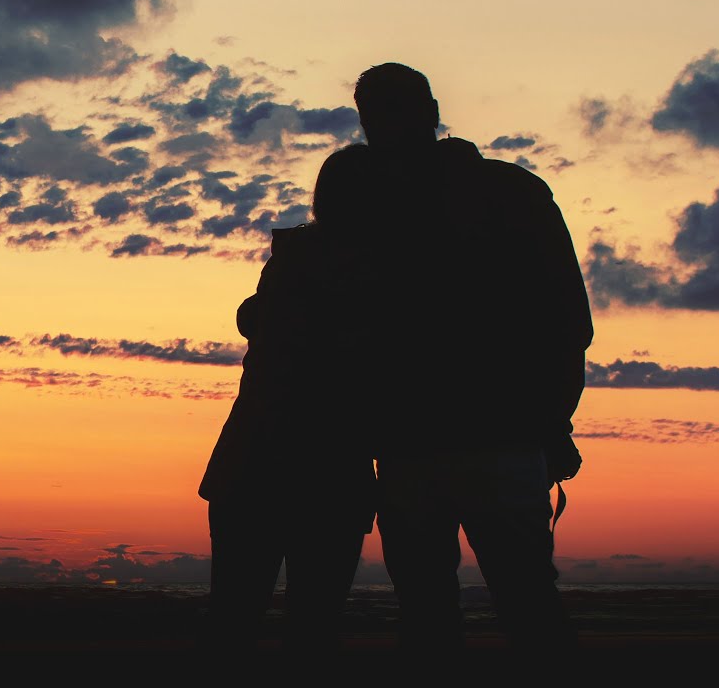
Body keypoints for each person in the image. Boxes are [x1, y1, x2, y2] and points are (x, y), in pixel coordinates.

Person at [349, 63, 595, 654]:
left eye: (387, 113)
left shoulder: (376, 207)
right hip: (462, 442)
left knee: (440, 613)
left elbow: (567, 322)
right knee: (520, 605)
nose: (383, 127)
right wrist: (552, 424)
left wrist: (550, 425)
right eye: (377, 115)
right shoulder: (509, 191)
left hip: (442, 443)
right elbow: (568, 321)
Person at [197, 144, 381, 657]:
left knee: (236, 620)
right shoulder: (370, 272)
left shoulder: (292, 260)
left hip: (257, 466)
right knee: (308, 627)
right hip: (322, 470)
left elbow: (260, 325)